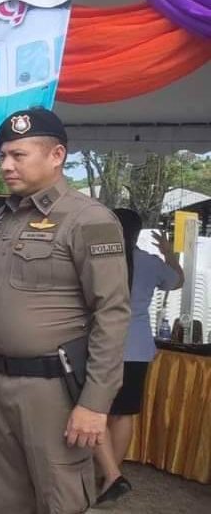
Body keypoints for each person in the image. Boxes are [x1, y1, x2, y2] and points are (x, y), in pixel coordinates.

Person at [0, 108, 130, 513]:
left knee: (61, 498)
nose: (6, 165)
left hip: (53, 389)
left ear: (57, 155)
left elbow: (111, 314)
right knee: (9, 497)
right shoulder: (5, 218)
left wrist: (94, 403)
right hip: (0, 381)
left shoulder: (88, 219)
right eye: (3, 156)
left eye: (18, 155)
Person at [93, 208, 183, 506]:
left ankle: (110, 474)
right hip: (137, 347)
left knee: (93, 408)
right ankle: (110, 477)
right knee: (123, 413)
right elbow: (177, 281)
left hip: (102, 344)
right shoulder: (149, 262)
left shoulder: (99, 259)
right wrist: (169, 253)